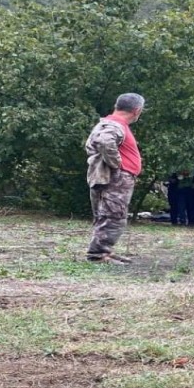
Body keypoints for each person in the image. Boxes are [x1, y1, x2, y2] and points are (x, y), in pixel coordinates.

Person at [85, 93, 145, 264]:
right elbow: (104, 141)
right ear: (137, 110)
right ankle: (98, 254)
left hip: (111, 177)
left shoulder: (109, 123)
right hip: (116, 178)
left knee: (107, 215)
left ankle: (103, 251)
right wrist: (118, 164)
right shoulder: (115, 125)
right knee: (113, 216)